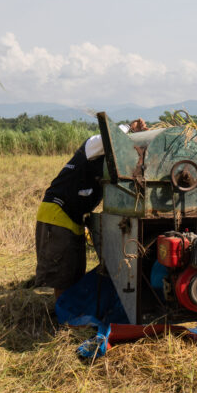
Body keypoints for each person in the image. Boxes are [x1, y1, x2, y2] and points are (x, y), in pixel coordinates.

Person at [35, 118, 147, 299]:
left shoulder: (111, 162)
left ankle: (69, 309)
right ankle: (63, 317)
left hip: (73, 216)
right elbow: (108, 138)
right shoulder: (93, 144)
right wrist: (129, 127)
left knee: (74, 269)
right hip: (57, 214)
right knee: (63, 273)